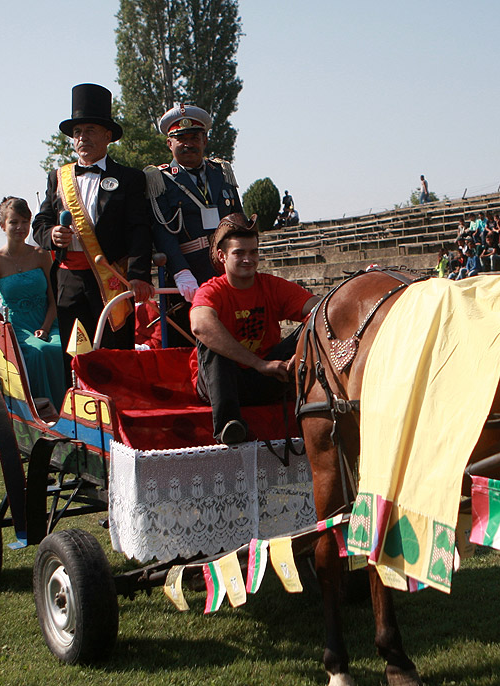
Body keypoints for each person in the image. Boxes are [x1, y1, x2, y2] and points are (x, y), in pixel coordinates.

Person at [33, 83, 152, 362]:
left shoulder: (130, 178)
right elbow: (40, 223)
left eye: (90, 131)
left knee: (115, 352)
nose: (82, 138)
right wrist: (52, 235)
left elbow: (139, 230)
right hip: (68, 281)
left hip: (111, 278)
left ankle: (118, 405)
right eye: (77, 132)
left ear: (108, 136)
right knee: (74, 356)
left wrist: (138, 274)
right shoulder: (58, 178)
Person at [189, 214, 320, 445]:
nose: (248, 259)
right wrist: (259, 363)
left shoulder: (271, 285)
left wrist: (298, 353)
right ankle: (229, 426)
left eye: (253, 252)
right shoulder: (211, 290)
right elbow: (200, 325)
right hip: (220, 384)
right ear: (222, 256)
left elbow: (320, 307)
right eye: (239, 253)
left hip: (267, 377)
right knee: (211, 340)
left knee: (316, 324)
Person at [145, 103, 243, 347]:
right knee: (189, 343)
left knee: (235, 336)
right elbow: (162, 230)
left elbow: (238, 220)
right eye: (181, 139)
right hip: (188, 274)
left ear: (205, 140)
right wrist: (180, 271)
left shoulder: (222, 172)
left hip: (225, 270)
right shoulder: (159, 179)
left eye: (194, 138)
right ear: (170, 144)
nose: (188, 144)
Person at [0, 197, 65, 407]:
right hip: (17, 329)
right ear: (2, 225)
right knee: (37, 352)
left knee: (62, 348)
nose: (20, 227)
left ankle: (69, 410)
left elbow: (55, 301)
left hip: (48, 323)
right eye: (14, 222)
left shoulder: (41, 255)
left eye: (25, 222)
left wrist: (45, 329)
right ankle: (41, 411)